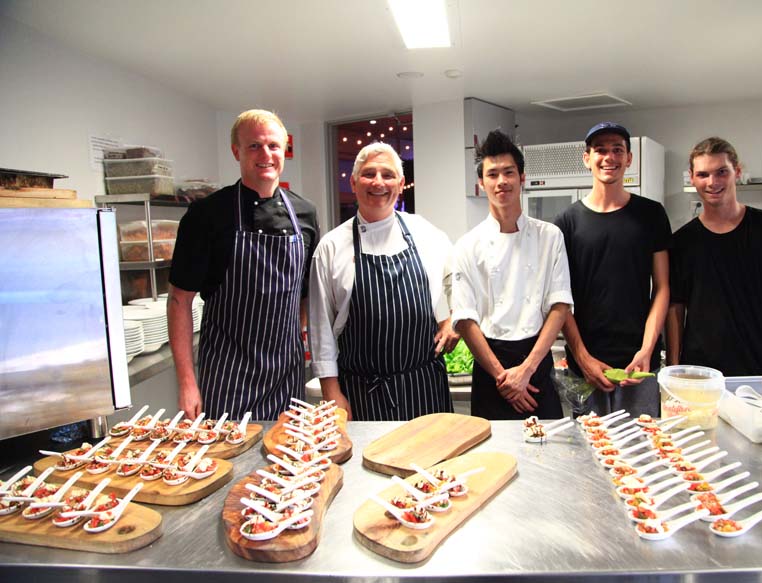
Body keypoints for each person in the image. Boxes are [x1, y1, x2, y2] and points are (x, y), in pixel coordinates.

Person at [168, 109, 319, 420]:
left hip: (286, 377)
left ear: (284, 151)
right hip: (227, 376)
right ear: (236, 151)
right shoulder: (206, 215)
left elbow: (304, 294)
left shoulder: (305, 213)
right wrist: (187, 382)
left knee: (287, 459)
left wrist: (299, 341)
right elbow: (179, 301)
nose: (266, 154)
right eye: (254, 146)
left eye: (274, 146)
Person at [309, 142, 457, 420]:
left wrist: (452, 320)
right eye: (369, 174)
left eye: (388, 175)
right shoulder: (331, 247)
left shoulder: (425, 232)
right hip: (363, 393)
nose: (379, 182)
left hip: (425, 388)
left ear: (401, 184)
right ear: (353, 183)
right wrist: (331, 393)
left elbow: (460, 278)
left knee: (435, 462)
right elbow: (320, 328)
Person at [451, 130, 573, 420]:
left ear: (522, 177)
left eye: (509, 172)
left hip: (536, 363)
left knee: (549, 454)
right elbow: (466, 321)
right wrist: (506, 380)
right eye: (492, 174)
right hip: (491, 370)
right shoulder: (467, 245)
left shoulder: (550, 236)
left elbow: (560, 306)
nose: (501, 181)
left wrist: (527, 371)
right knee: (492, 458)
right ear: (481, 183)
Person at [554, 122, 672, 417]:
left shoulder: (651, 214)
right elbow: (560, 299)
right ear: (587, 158)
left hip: (639, 365)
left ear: (629, 158)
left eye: (617, 150)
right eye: (600, 150)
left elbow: (662, 287)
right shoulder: (567, 222)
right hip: (584, 367)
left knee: (643, 451)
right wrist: (583, 358)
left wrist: (647, 350)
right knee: (587, 453)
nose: (609, 157)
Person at [666, 136, 762, 378]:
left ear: (737, 172)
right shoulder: (682, 241)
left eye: (722, 172)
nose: (712, 182)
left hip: (761, 370)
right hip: (700, 374)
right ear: (692, 177)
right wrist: (674, 367)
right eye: (703, 175)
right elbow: (675, 308)